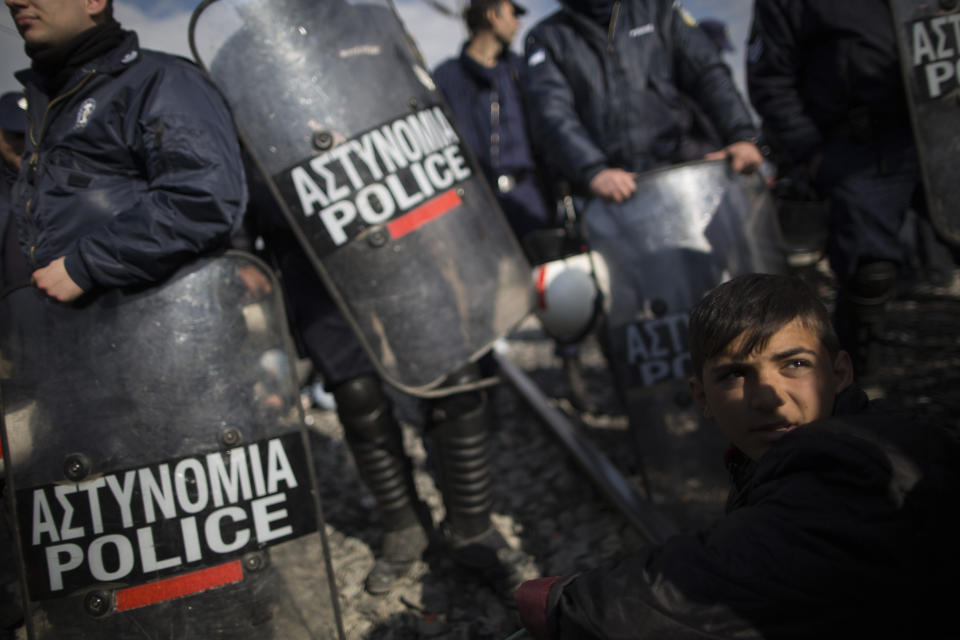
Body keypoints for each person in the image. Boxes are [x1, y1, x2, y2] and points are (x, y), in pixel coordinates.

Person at [209, 0, 527, 597]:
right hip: (310, 246)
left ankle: (473, 526)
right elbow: (236, 164)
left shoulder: (368, 24)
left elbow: (421, 107)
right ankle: (403, 525)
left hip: (405, 229)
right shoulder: (233, 55)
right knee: (354, 390)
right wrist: (242, 245)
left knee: (450, 367)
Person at [510, 272, 960, 638]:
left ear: (839, 372)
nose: (768, 396)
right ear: (700, 397)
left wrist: (561, 606)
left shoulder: (857, 460)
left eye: (795, 364)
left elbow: (729, 572)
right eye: (734, 375)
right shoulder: (773, 462)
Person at [746, 0, 956, 376]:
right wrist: (810, 152)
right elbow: (770, 78)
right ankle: (854, 382)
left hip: (939, 125)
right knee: (868, 268)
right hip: (858, 145)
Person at [5, 0, 246, 304]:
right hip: (78, 338)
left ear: (92, 2)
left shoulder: (161, 80)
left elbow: (203, 198)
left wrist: (86, 264)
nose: (13, 1)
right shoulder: (46, 106)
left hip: (169, 329)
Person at [432, 0, 596, 412]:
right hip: (477, 205)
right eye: (512, 11)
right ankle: (484, 386)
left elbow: (549, 127)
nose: (519, 20)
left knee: (556, 287)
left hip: (529, 197)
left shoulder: (523, 70)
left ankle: (572, 366)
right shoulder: (446, 78)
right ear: (491, 14)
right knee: (478, 295)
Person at [522, 0, 763, 205]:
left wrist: (741, 135)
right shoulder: (547, 38)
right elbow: (552, 113)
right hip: (611, 198)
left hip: (684, 177)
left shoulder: (658, 10)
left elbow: (707, 74)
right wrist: (593, 171)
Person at [0, 91, 27, 290]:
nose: (24, 145)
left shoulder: (56, 182)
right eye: (16, 135)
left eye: (29, 134)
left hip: (48, 313)